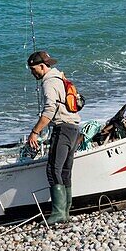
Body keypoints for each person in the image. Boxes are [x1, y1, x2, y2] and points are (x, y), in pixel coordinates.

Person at [26, 50, 81, 225]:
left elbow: (50, 110)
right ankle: (65, 211)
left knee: (53, 170)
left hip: (62, 128)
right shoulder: (61, 79)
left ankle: (58, 213)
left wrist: (35, 132)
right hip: (74, 128)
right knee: (65, 170)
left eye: (33, 69)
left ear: (42, 66)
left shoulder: (49, 83)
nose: (32, 72)